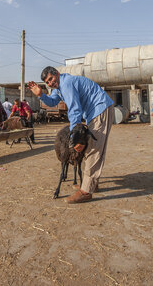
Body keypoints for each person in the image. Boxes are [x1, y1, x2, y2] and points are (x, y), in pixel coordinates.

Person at [28, 66, 114, 204]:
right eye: (47, 82)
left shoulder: (67, 83)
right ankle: (91, 184)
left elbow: (74, 110)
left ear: (57, 73)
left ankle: (86, 191)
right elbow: (52, 102)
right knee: (89, 148)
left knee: (94, 148)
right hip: (95, 112)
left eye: (51, 79)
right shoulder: (59, 87)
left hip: (100, 109)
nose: (50, 83)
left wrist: (75, 138)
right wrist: (40, 95)